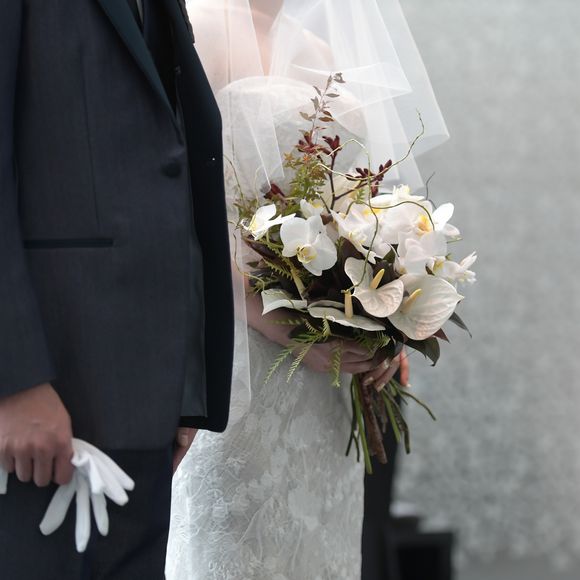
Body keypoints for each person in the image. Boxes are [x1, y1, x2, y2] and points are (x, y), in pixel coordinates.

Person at [167, 1, 446, 578]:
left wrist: (383, 319)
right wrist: (279, 325)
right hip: (238, 350)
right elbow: (179, 212)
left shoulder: (323, 51)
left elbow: (352, 205)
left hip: (326, 376)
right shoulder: (195, 27)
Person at [0, 0, 233, 578]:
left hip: (145, 397)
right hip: (45, 396)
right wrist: (13, 381)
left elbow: (170, 150)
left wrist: (186, 382)